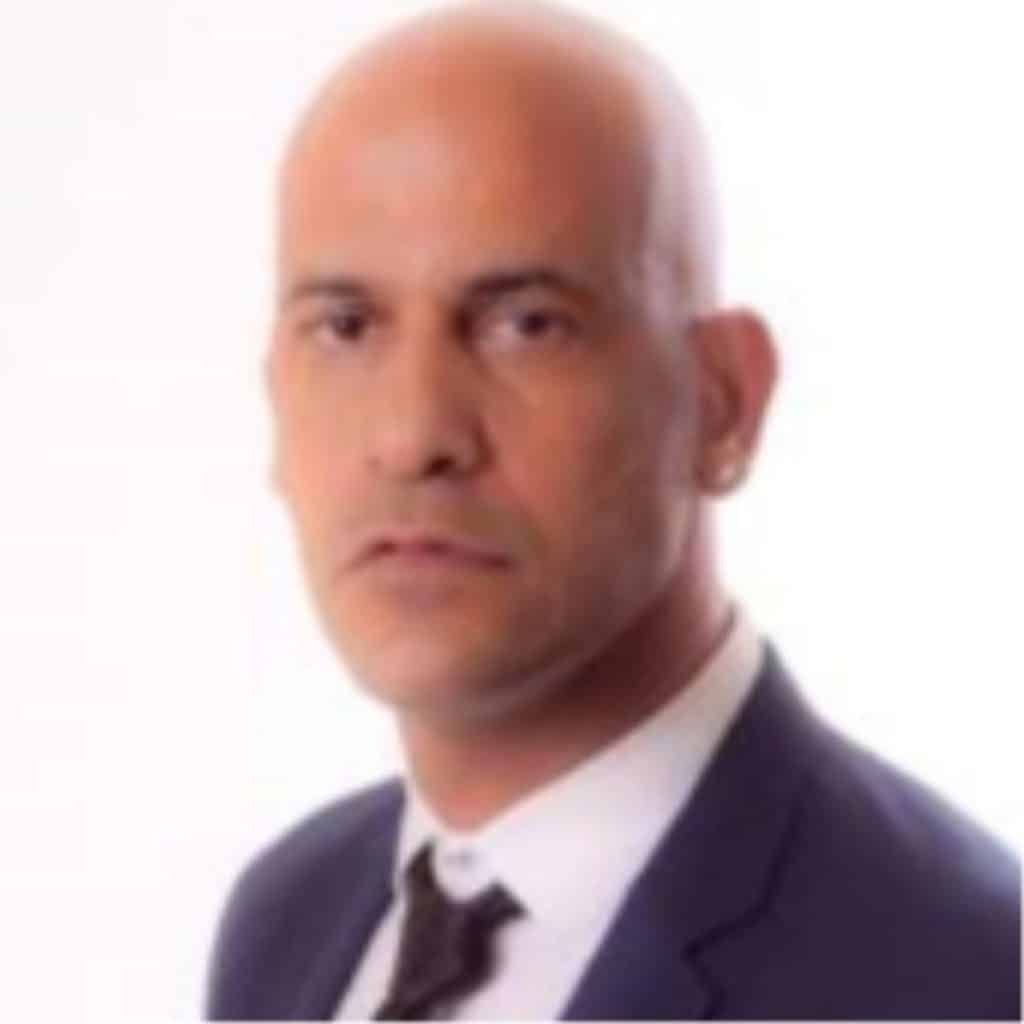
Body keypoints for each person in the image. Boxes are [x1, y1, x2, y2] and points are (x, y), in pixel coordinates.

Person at [204, 2, 1020, 1019]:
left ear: (723, 404)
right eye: (345, 326)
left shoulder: (966, 972)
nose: (412, 434)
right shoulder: (290, 912)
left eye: (527, 324)